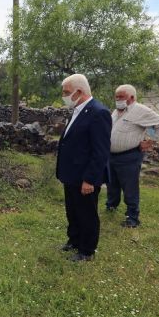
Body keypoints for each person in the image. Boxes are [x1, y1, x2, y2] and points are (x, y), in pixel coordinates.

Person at [56, 74, 111, 262]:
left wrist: (90, 179)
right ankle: (74, 240)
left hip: (84, 176)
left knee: (87, 213)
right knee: (72, 210)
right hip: (71, 173)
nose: (64, 96)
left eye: (66, 92)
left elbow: (100, 151)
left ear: (79, 92)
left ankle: (87, 250)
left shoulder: (98, 112)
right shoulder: (78, 110)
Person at [107, 84, 159, 228]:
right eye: (116, 97)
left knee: (130, 187)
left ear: (131, 97)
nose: (118, 99)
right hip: (111, 155)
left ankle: (132, 217)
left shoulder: (140, 110)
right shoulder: (116, 111)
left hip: (129, 156)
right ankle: (111, 206)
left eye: (121, 97)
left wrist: (150, 141)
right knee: (112, 183)